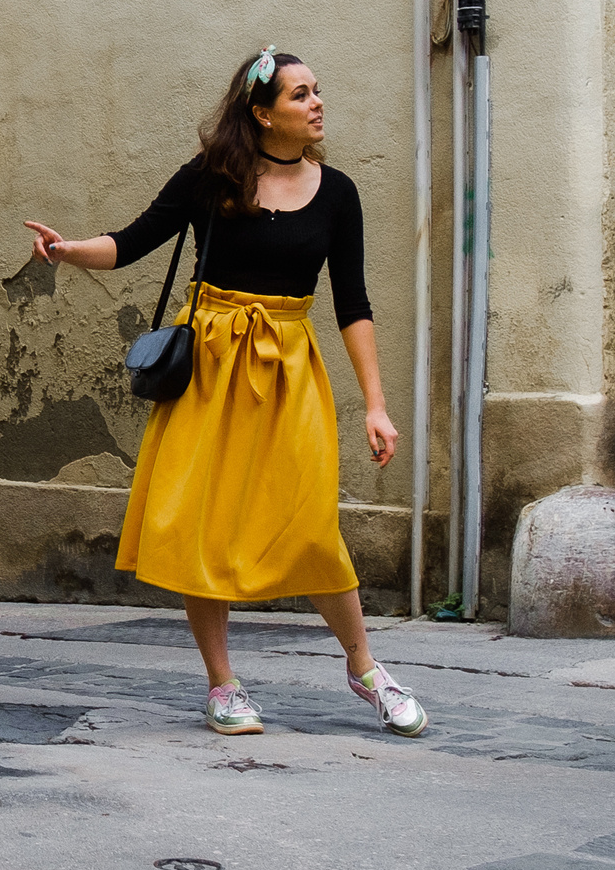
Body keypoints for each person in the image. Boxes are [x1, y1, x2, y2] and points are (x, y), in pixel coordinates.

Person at [24, 48, 427, 740]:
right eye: (302, 94)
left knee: (310, 524)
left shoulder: (339, 194)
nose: (317, 103)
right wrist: (66, 251)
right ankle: (223, 681)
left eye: (317, 91)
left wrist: (378, 404)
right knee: (202, 524)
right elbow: (133, 240)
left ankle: (364, 667)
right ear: (263, 112)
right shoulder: (212, 180)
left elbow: (352, 304)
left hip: (288, 371)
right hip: (210, 366)